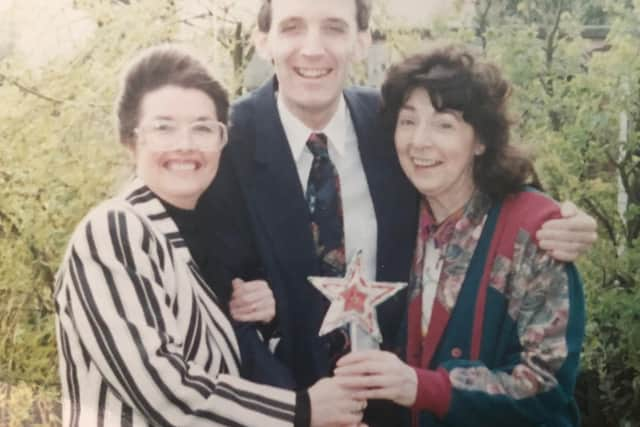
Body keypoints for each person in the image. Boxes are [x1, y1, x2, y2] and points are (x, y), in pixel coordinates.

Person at [198, 0, 597, 424]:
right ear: (264, 40)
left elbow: (481, 178)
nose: (312, 49)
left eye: (334, 27)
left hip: (404, 408)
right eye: (293, 26)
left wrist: (555, 218)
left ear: (362, 41)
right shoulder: (222, 144)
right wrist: (299, 410)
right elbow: (206, 297)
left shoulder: (383, 123)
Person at [54, 45, 368, 427]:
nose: (185, 144)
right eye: (163, 127)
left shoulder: (200, 241)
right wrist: (302, 411)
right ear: (130, 140)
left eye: (202, 127)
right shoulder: (116, 229)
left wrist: (264, 317)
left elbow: (222, 371)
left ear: (222, 141)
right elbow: (163, 391)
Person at [334, 44, 586, 427]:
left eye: (444, 124)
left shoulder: (533, 231)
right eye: (408, 121)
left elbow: (547, 388)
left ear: (481, 141)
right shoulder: (396, 218)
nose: (420, 141)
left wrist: (424, 387)